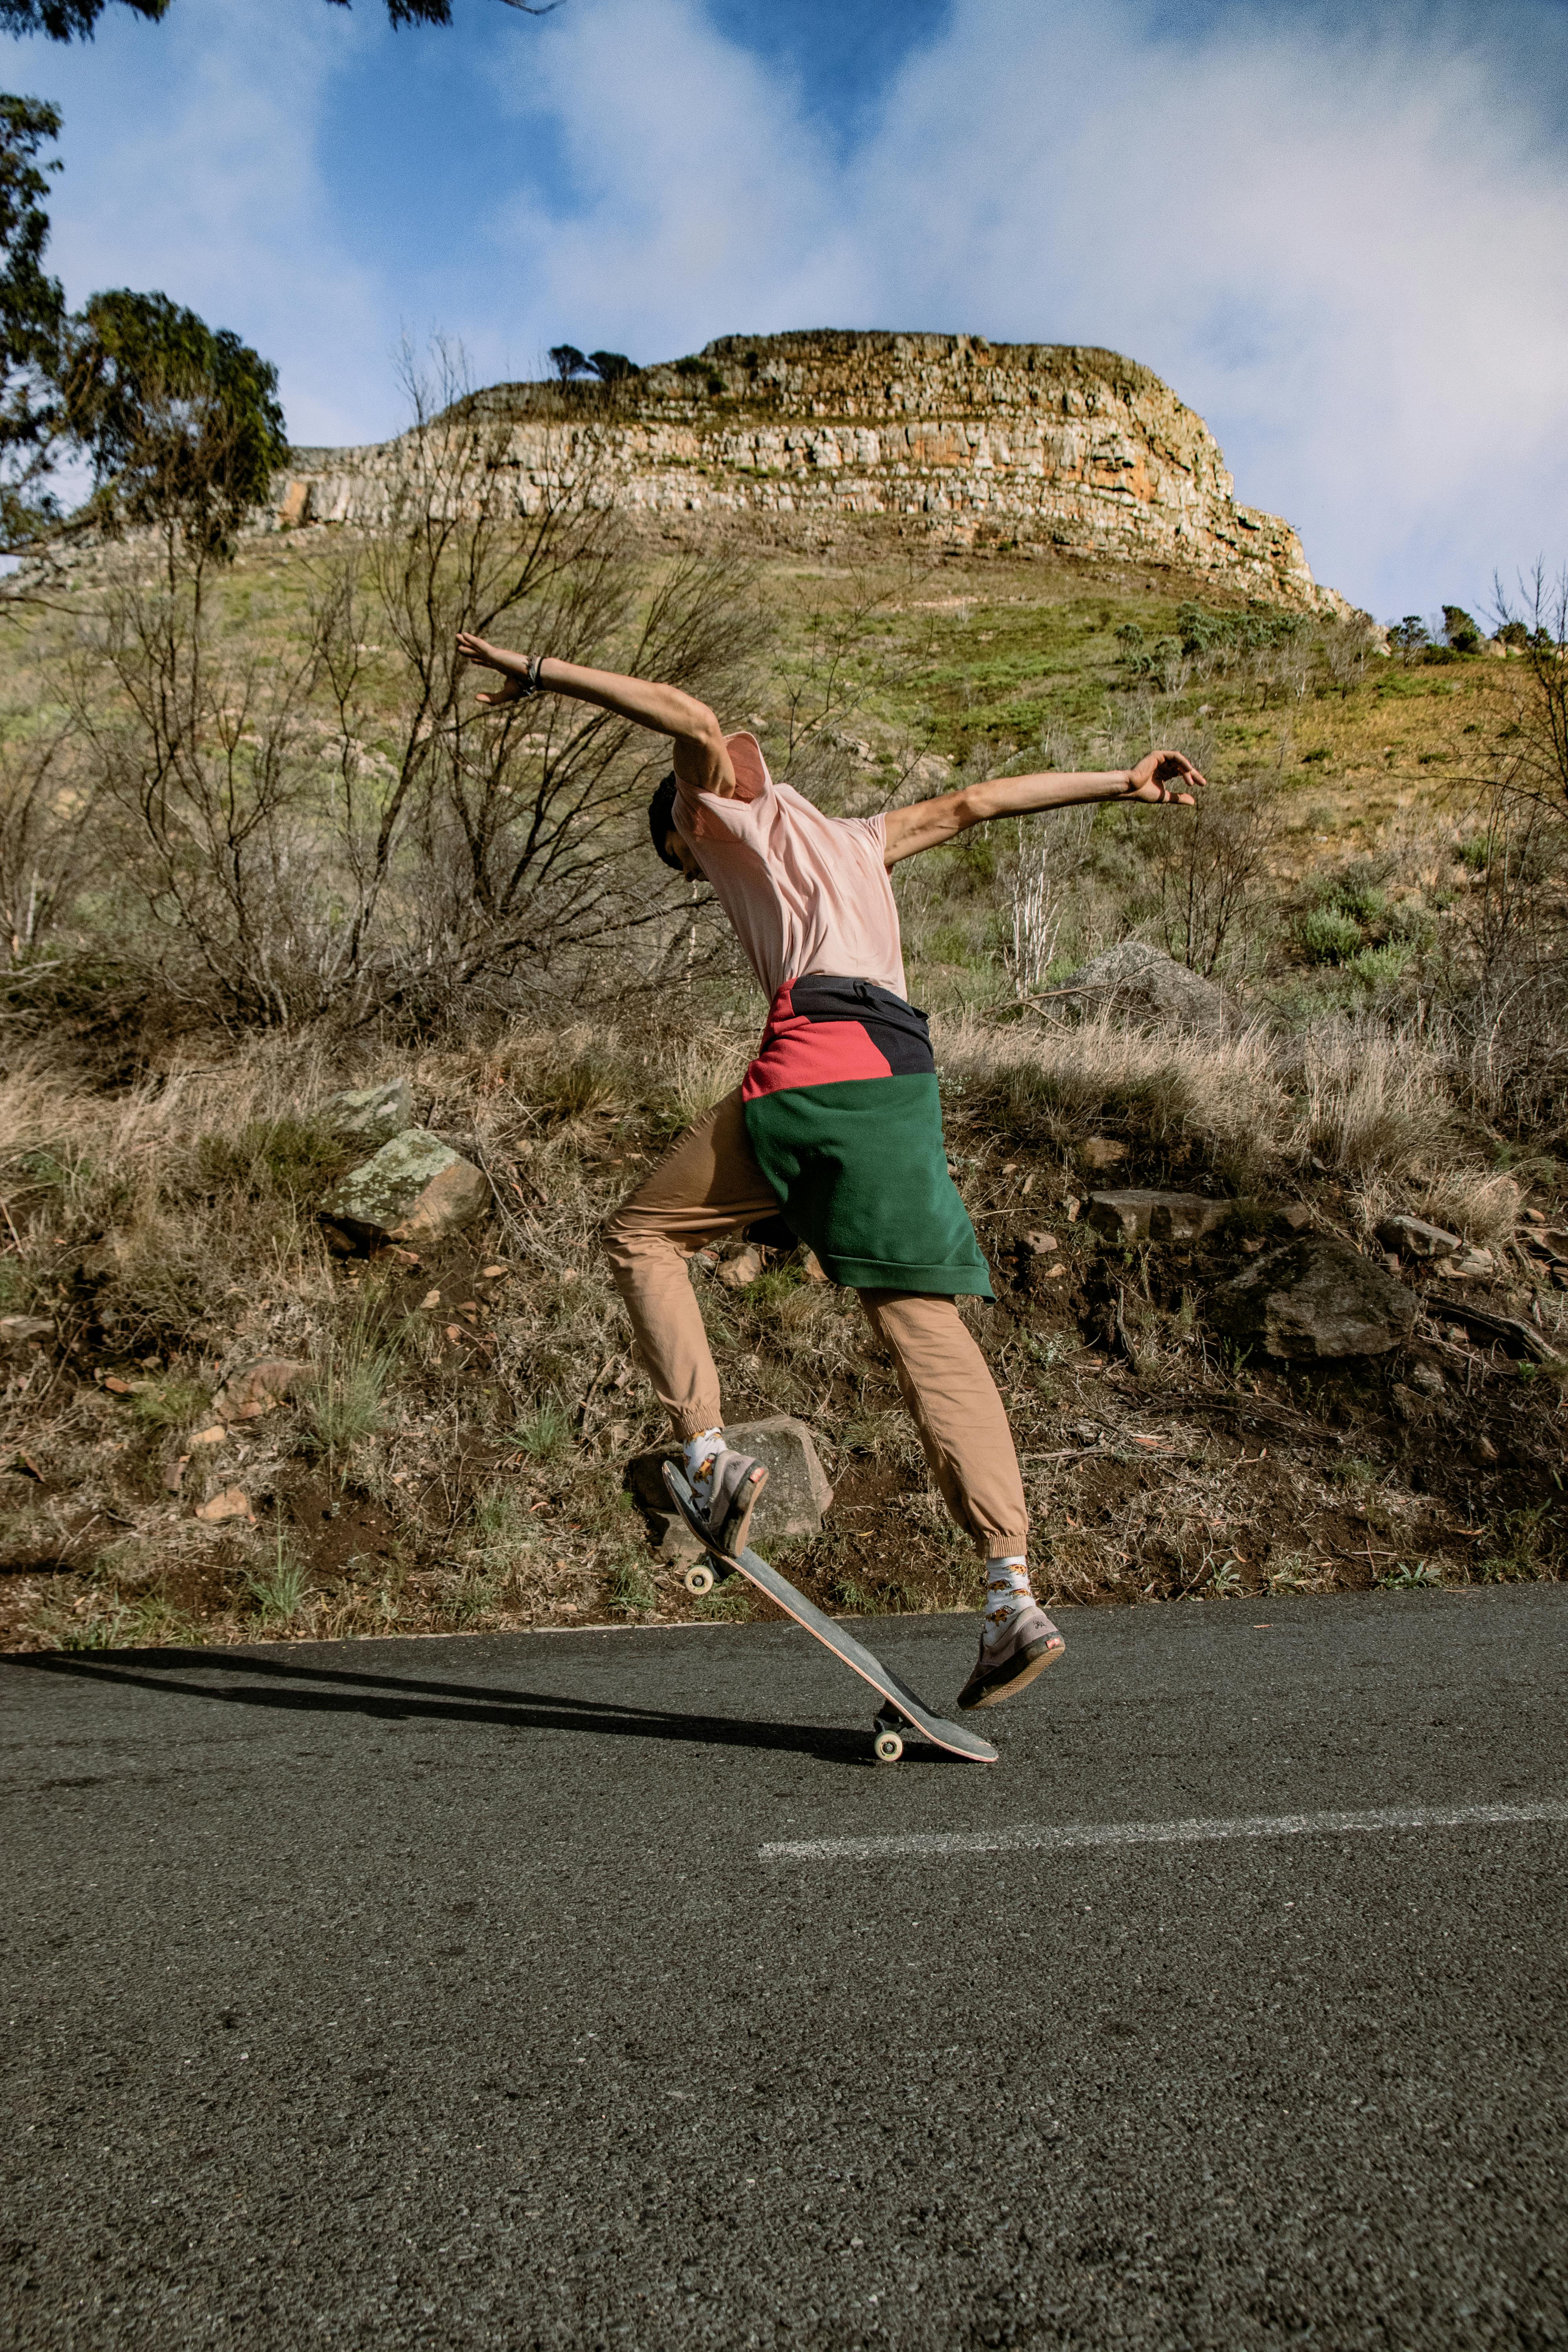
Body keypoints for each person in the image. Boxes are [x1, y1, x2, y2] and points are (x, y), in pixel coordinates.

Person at [456, 630, 1205, 1711]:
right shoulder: (860, 837)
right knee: (925, 1331)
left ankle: (707, 1458)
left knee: (642, 1235)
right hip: (902, 1075)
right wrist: (1121, 784)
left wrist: (537, 674)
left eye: (683, 851)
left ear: (687, 824)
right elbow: (979, 803)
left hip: (817, 1060)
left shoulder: (709, 813)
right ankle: (1011, 1592)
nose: (698, 866)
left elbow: (691, 717)